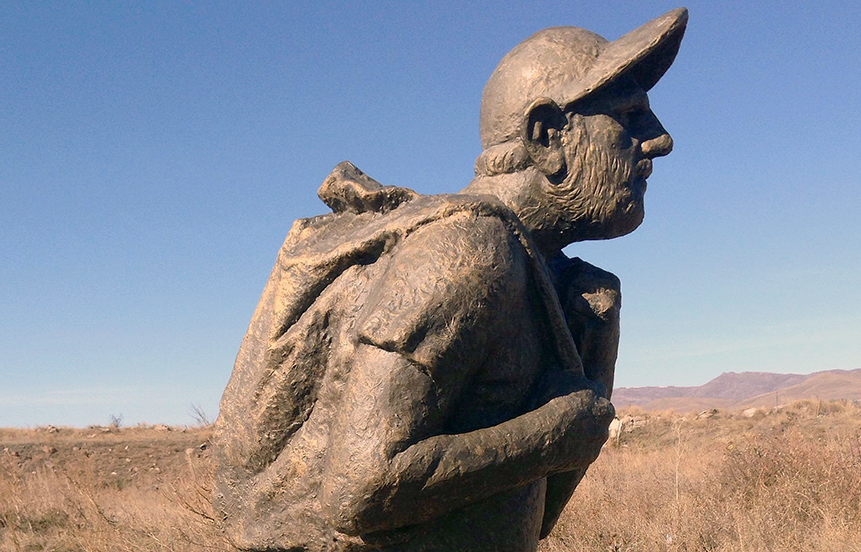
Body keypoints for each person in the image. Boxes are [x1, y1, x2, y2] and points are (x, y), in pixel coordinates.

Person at [213, 8, 687, 552]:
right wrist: (552, 433)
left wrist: (589, 360)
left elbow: (528, 518)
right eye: (628, 117)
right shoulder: (470, 253)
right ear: (547, 136)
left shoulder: (547, 279)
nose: (659, 140)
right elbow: (358, 488)